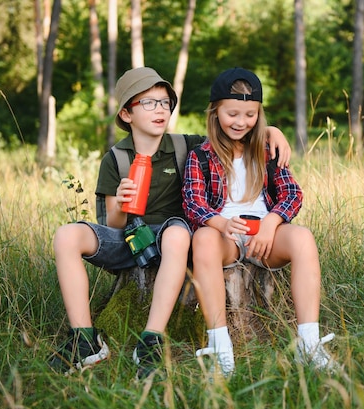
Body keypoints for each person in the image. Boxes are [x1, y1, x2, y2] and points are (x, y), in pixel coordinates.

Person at [48, 67, 292, 379]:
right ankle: (84, 338)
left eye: (165, 103)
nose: (160, 110)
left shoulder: (186, 145)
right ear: (126, 114)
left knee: (177, 233)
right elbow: (112, 222)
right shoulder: (116, 158)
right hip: (129, 237)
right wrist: (122, 202)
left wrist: (273, 132)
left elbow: (236, 128)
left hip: (173, 235)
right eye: (148, 103)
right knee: (67, 235)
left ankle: (151, 339)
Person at [182, 67, 337, 378]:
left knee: (303, 237)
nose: (241, 122)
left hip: (266, 234)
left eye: (250, 114)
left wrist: (271, 221)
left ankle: (308, 344)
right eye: (233, 114)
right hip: (226, 235)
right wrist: (219, 223)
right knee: (202, 239)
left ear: (259, 114)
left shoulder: (267, 150)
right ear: (215, 113)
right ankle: (220, 348)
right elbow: (192, 201)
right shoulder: (200, 156)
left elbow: (292, 192)